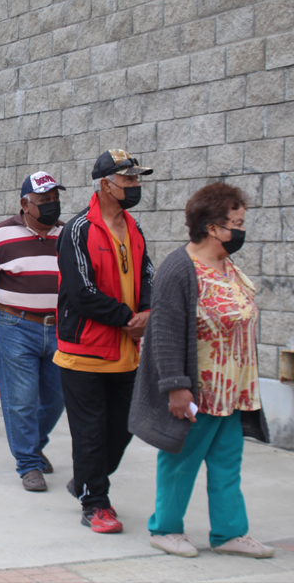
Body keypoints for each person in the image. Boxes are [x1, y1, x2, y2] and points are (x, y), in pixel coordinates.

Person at [129, 182, 273, 558]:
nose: (241, 230)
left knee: (228, 463)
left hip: (232, 392)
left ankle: (229, 533)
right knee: (180, 461)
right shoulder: (180, 268)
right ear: (211, 226)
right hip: (198, 391)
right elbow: (164, 334)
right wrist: (177, 388)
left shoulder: (227, 266)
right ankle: (165, 529)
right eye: (235, 223)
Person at [54, 149, 154, 534]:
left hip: (126, 351)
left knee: (124, 427)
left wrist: (146, 311)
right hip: (84, 353)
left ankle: (85, 479)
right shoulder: (77, 230)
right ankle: (96, 503)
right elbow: (81, 292)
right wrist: (127, 318)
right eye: (128, 180)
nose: (135, 186)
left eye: (137, 179)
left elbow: (147, 276)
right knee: (91, 433)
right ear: (105, 184)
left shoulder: (135, 229)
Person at [0, 171, 67, 491]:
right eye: (43, 200)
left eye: (54, 199)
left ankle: (33, 446)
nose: (52, 205)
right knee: (21, 399)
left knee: (56, 398)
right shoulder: (0, 237)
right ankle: (28, 463)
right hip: (16, 326)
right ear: (25, 203)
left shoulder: (67, 235)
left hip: (60, 328)